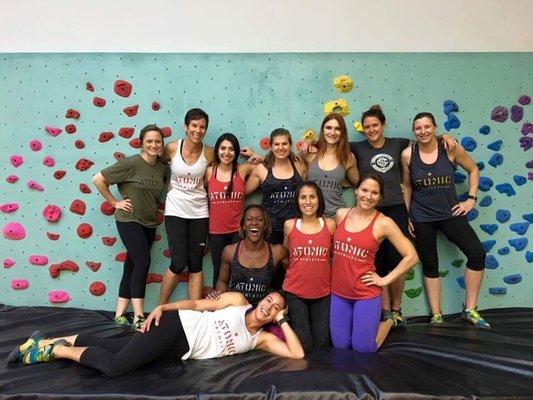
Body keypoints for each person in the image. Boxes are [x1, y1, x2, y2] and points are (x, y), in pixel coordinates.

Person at [8, 291, 304, 376]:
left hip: (179, 350)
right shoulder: (238, 302)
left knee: (116, 347)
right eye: (269, 300)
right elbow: (198, 303)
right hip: (178, 325)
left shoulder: (260, 339)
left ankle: (44, 339)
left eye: (275, 307)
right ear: (261, 299)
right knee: (115, 367)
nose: (269, 306)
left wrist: (283, 320)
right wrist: (164, 306)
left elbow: (296, 353)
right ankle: (52, 350)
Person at [349, 105, 456, 326]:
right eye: (367, 127)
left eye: (375, 125)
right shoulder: (357, 148)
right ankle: (385, 310)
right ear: (363, 129)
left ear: (383, 125)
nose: (371, 130)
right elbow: (332, 146)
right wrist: (309, 144)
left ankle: (397, 309)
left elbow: (425, 142)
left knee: (397, 260)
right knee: (376, 262)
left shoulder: (398, 144)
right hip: (370, 211)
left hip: (396, 207)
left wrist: (443, 135)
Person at [401, 112, 490, 328]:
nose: (423, 131)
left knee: (477, 255)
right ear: (414, 131)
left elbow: (473, 169)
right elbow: (407, 186)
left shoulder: (449, 147)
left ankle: (469, 310)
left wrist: (471, 198)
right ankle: (436, 315)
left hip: (451, 214)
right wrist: (407, 216)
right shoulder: (407, 155)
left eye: (427, 126)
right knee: (430, 265)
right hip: (422, 218)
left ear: (434, 128)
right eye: (418, 128)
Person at [330, 173, 418, 352]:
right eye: (364, 190)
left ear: (380, 197)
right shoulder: (341, 215)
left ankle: (388, 322)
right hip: (338, 293)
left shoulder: (384, 223)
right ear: (356, 190)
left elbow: (412, 256)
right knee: (341, 346)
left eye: (374, 193)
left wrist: (385, 280)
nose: (368, 196)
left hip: (365, 294)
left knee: (363, 349)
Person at [92, 124, 168, 330]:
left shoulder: (163, 169)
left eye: (157, 141)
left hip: (150, 222)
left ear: (162, 145)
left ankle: (119, 314)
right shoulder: (130, 164)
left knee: (132, 265)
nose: (153, 144)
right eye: (149, 141)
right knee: (143, 263)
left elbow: (162, 195)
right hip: (129, 220)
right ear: (141, 143)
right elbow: (98, 179)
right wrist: (114, 203)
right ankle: (138, 316)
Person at [160, 108, 214, 303]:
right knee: (178, 262)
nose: (198, 130)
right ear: (186, 126)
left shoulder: (209, 153)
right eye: (194, 125)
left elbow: (226, 167)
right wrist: (165, 186)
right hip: (175, 210)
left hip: (199, 212)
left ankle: (195, 312)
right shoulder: (172, 148)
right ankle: (160, 308)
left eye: (202, 127)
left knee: (196, 264)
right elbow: (157, 165)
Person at [282, 182, 335, 352]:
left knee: (322, 345)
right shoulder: (289, 225)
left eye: (312, 197)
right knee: (304, 346)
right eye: (303, 197)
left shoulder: (330, 225)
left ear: (319, 199)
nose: (308, 202)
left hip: (323, 293)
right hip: (295, 294)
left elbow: (333, 255)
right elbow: (286, 254)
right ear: (297, 201)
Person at [207, 204, 288, 306]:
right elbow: (222, 281)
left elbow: (293, 275)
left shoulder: (278, 252)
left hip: (261, 312)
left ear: (265, 225)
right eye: (249, 219)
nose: (254, 223)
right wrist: (220, 300)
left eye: (259, 219)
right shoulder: (230, 251)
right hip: (235, 310)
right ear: (243, 225)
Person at [206, 133, 256, 288]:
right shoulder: (208, 172)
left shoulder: (243, 169)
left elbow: (269, 165)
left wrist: (254, 155)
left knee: (238, 269)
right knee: (218, 269)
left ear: (236, 152)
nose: (226, 153)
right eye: (223, 148)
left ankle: (237, 305)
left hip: (237, 231)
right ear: (217, 150)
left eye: (231, 149)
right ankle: (218, 305)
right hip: (215, 231)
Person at [246, 128, 307, 245]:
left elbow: (306, 194)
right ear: (271, 147)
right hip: (270, 229)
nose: (280, 148)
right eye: (276, 144)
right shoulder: (262, 169)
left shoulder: (300, 166)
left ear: (290, 145)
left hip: (295, 227)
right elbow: (242, 192)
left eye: (284, 143)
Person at [302, 113, 359, 217]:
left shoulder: (348, 158)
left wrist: (357, 210)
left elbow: (360, 185)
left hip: (337, 216)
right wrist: (308, 140)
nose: (332, 132)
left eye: (337, 129)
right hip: (312, 217)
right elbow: (287, 161)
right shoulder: (310, 153)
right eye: (328, 127)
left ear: (342, 133)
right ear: (322, 130)